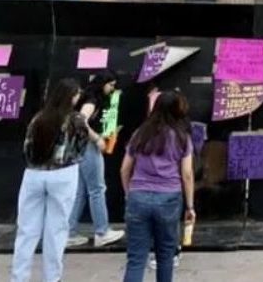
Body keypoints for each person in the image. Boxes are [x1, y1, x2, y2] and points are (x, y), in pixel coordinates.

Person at [11, 78, 104, 282]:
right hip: (63, 174)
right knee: (56, 230)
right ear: (71, 97)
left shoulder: (38, 118)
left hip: (34, 173)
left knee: (27, 231)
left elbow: (27, 148)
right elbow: (80, 149)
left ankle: (19, 277)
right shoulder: (76, 120)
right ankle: (52, 277)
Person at [120, 89, 196, 282]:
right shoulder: (181, 137)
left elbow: (124, 169)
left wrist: (129, 193)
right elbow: (186, 174)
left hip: (138, 196)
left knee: (136, 259)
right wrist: (190, 206)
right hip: (169, 198)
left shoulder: (140, 134)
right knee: (165, 256)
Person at [66, 71, 125, 248]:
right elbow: (80, 121)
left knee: (80, 191)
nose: (112, 89)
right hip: (87, 146)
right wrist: (97, 139)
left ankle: (69, 232)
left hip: (77, 146)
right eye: (111, 85)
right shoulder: (92, 100)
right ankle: (102, 231)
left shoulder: (86, 97)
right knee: (97, 189)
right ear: (103, 84)